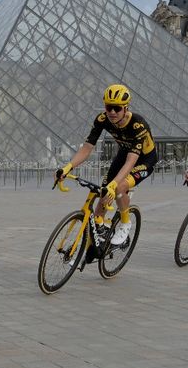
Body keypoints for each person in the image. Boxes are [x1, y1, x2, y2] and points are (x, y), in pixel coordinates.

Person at [58, 83, 155, 246]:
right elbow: (87, 148)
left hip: (144, 160)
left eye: (117, 108)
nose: (112, 112)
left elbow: (132, 161)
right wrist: (67, 167)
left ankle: (125, 223)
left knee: (118, 187)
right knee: (102, 202)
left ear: (126, 108)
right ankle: (90, 247)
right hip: (124, 154)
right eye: (109, 107)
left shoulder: (138, 125)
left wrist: (115, 184)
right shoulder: (102, 119)